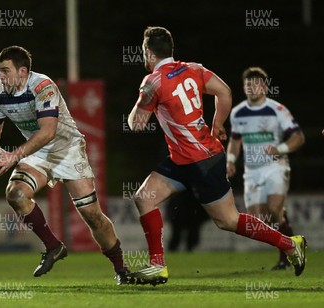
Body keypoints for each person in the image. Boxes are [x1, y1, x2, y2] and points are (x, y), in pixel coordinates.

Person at [125, 26, 306, 285]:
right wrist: (217, 123)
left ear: (148, 53)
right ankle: (158, 265)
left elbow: (137, 124)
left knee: (228, 221)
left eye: (143, 52)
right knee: (144, 198)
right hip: (182, 159)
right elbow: (224, 91)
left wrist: (138, 106)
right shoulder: (194, 69)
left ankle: (290, 244)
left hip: (202, 162)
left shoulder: (152, 81)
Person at [0, 46, 129, 285]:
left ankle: (121, 269)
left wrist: (13, 156)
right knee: (16, 194)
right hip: (36, 152)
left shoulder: (43, 86)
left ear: (23, 71)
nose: (1, 76)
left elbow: (48, 132)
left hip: (67, 149)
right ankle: (53, 247)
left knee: (92, 215)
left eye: (5, 71)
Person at [227, 67, 305, 270]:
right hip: (251, 171)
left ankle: (286, 257)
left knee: (273, 208)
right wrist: (230, 160)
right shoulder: (238, 112)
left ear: (265, 87)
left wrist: (280, 148)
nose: (252, 89)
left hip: (275, 167)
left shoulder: (277, 109)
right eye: (247, 85)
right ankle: (290, 240)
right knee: (258, 220)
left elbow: (298, 137)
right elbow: (235, 140)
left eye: (256, 84)